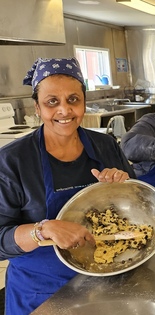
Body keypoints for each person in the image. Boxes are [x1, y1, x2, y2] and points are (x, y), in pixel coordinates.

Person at [0, 57, 135, 314]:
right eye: (52, 102)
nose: (64, 110)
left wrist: (122, 187)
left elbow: (135, 204)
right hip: (41, 294)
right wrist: (42, 230)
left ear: (84, 102)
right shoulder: (12, 161)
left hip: (105, 280)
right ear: (37, 108)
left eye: (73, 99)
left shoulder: (105, 146)